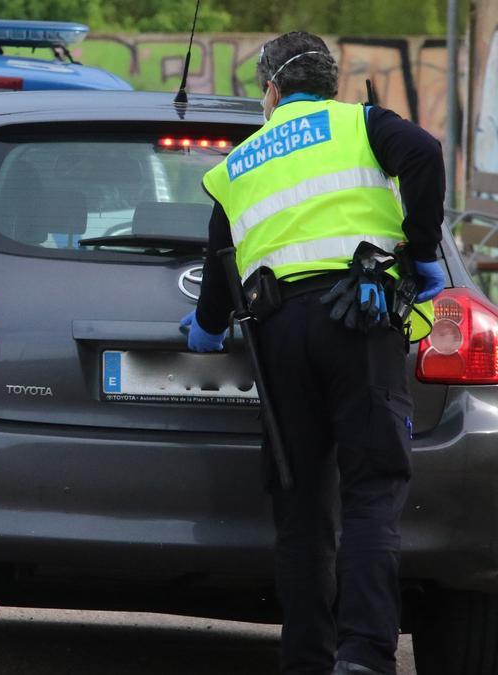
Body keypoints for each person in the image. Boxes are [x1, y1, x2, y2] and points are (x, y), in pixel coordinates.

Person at [180, 32, 445, 675]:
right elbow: (426, 153)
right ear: (332, 84)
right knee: (370, 493)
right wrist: (424, 252)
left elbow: (222, 260)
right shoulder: (363, 123)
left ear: (271, 90)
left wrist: (207, 327)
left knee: (300, 510)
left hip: (277, 333)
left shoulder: (238, 163)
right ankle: (362, 657)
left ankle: (305, 659)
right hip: (358, 319)